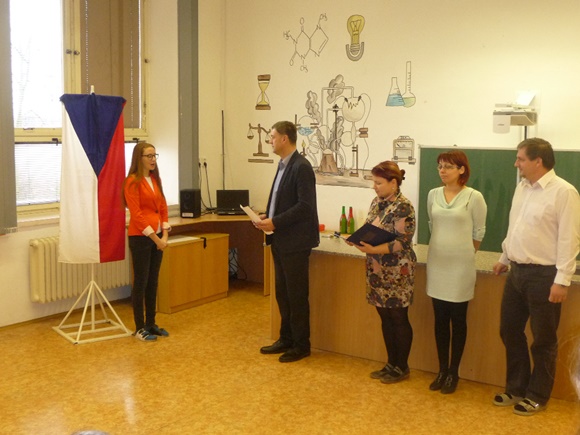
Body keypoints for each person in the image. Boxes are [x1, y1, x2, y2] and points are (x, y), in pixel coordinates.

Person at [492, 138, 580, 416]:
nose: (516, 164)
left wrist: (562, 280)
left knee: (543, 340)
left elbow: (569, 239)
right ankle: (516, 387)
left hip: (545, 276)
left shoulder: (564, 192)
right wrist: (504, 258)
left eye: (520, 159)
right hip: (517, 272)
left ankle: (537, 395)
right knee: (509, 330)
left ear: (538, 161)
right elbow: (515, 228)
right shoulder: (522, 187)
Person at [255, 121, 319, 363]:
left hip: (296, 242)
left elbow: (305, 207)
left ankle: (301, 345)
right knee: (282, 293)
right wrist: (267, 216)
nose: (269, 141)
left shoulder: (301, 167)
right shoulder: (283, 165)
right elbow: (283, 201)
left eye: (272, 137)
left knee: (296, 295)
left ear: (284, 138)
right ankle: (286, 338)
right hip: (280, 240)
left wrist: (275, 221)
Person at [426, 150, 487, 394]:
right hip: (437, 264)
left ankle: (454, 372)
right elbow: (432, 225)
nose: (442, 170)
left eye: (448, 166)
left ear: (462, 169)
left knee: (458, 320)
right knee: (440, 320)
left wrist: (464, 253)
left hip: (461, 266)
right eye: (440, 166)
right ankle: (442, 370)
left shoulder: (474, 197)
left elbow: (479, 232)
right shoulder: (433, 194)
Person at [349, 161, 416, 383]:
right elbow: (370, 229)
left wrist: (372, 249)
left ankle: (402, 366)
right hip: (377, 270)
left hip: (397, 271)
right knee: (384, 317)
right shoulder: (377, 202)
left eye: (378, 183)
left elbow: (403, 242)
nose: (374, 187)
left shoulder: (403, 207)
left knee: (398, 317)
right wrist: (358, 241)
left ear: (393, 183)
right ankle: (390, 363)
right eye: (374, 182)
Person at [123, 142, 171, 342]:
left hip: (158, 237)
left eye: (154, 156)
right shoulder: (132, 182)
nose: (153, 160)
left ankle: (151, 323)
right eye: (149, 156)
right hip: (141, 238)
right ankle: (139, 327)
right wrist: (156, 238)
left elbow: (163, 207)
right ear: (139, 158)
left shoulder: (155, 179)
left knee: (153, 281)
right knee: (141, 282)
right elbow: (137, 215)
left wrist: (164, 235)